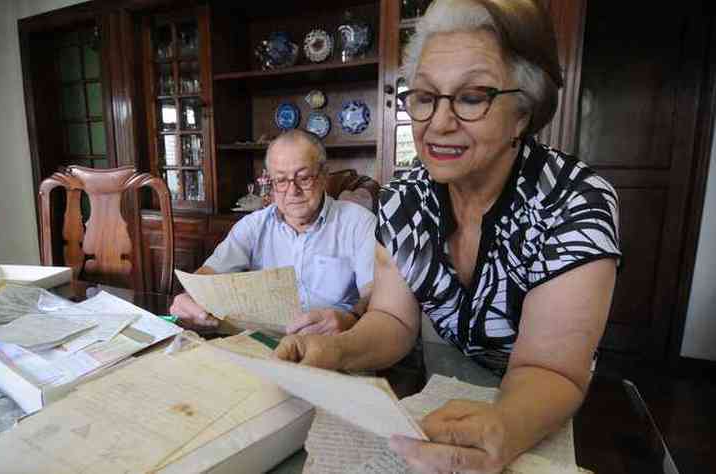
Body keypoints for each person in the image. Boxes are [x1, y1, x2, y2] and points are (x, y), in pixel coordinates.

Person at [275, 0, 620, 472]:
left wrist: (508, 426)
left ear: (523, 111)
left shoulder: (573, 201)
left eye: (472, 96)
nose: (438, 122)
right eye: (424, 96)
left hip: (545, 404)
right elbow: (394, 322)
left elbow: (551, 368)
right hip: (450, 389)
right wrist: (337, 349)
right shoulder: (404, 199)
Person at [170, 130, 376, 336]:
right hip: (263, 346)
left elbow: (374, 294)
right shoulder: (252, 225)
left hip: (332, 345)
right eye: (281, 180)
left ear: (323, 177)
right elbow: (208, 275)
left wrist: (350, 319)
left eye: (303, 178)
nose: (292, 191)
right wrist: (190, 297)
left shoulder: (358, 223)